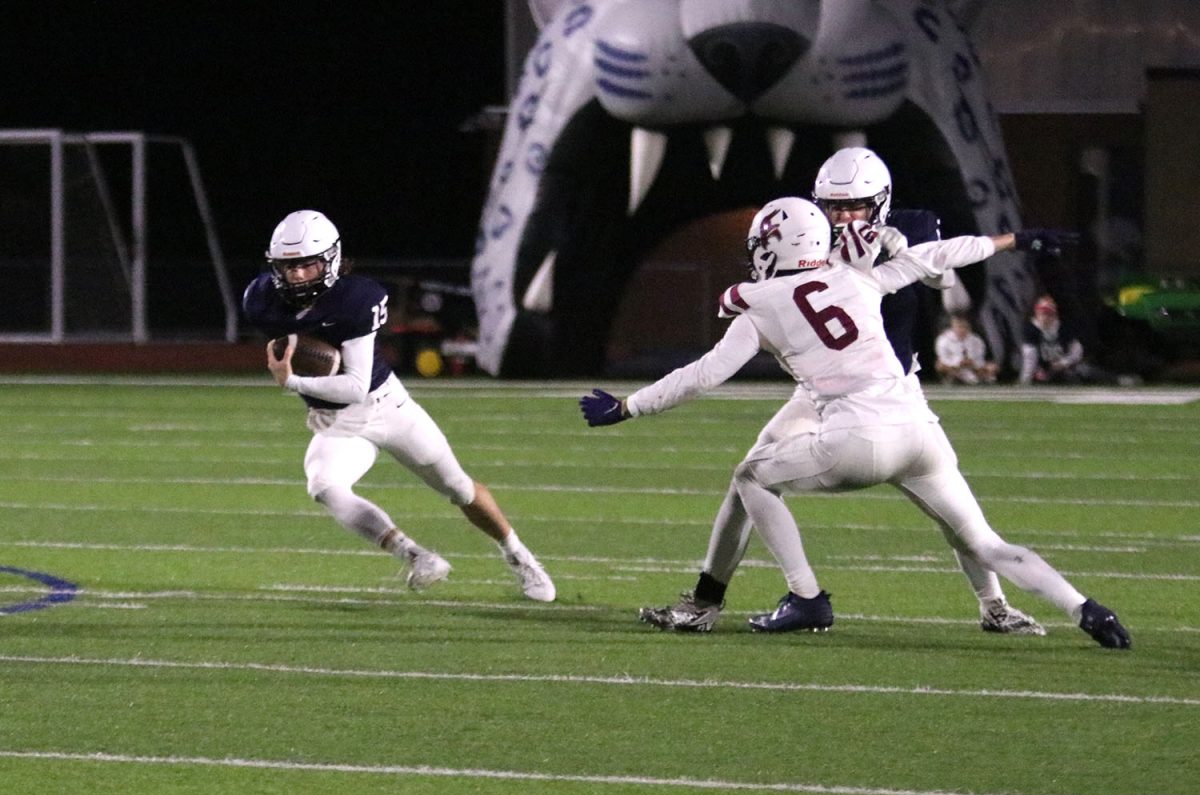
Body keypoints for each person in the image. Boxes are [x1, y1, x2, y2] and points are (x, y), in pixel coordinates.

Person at [580, 197, 1130, 649]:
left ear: (774, 247)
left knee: (752, 476)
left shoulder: (762, 304)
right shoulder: (854, 275)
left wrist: (629, 406)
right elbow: (935, 257)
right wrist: (1016, 240)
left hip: (856, 435)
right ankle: (1087, 610)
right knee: (984, 542)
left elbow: (704, 375)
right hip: (919, 430)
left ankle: (807, 597)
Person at [634, 147, 1043, 638]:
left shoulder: (910, 226)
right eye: (834, 207)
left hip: (894, 391)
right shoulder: (812, 243)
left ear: (882, 202)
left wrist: (897, 248)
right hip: (822, 392)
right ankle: (705, 601)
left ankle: (994, 605)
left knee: (948, 499)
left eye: (856, 207)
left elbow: (943, 278)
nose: (845, 217)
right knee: (748, 477)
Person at [243, 210, 555, 602]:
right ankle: (417, 556)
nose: (299, 275)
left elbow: (355, 385)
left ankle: (520, 557)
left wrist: (293, 382)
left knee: (458, 487)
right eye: (289, 267)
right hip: (336, 421)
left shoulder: (356, 299)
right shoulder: (260, 301)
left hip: (386, 406)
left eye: (309, 264)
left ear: (332, 260)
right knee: (324, 485)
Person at [1018, 295, 1114, 385]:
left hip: (1062, 367)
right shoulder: (1031, 330)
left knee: (1083, 370)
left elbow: (1077, 351)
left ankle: (1113, 380)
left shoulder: (1063, 329)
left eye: (1048, 314)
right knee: (1017, 361)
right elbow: (1030, 356)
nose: (1044, 317)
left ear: (1054, 315)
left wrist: (1063, 362)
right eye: (1042, 313)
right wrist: (1026, 379)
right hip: (1041, 368)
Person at [935, 313, 999, 385]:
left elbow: (979, 357)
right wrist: (958, 362)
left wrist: (971, 362)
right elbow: (943, 358)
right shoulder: (943, 340)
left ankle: (972, 378)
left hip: (972, 367)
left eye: (964, 327)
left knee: (992, 367)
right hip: (954, 367)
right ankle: (957, 377)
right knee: (939, 365)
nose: (962, 330)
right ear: (953, 327)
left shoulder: (976, 340)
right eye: (959, 327)